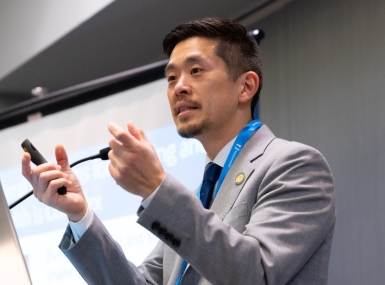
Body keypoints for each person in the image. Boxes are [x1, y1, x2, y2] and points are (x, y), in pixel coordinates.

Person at [21, 17, 335, 285]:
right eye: (171, 77)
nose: (179, 86)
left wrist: (155, 187)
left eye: (196, 71)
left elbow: (257, 274)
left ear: (246, 87)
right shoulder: (201, 194)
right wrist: (79, 215)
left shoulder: (296, 165)